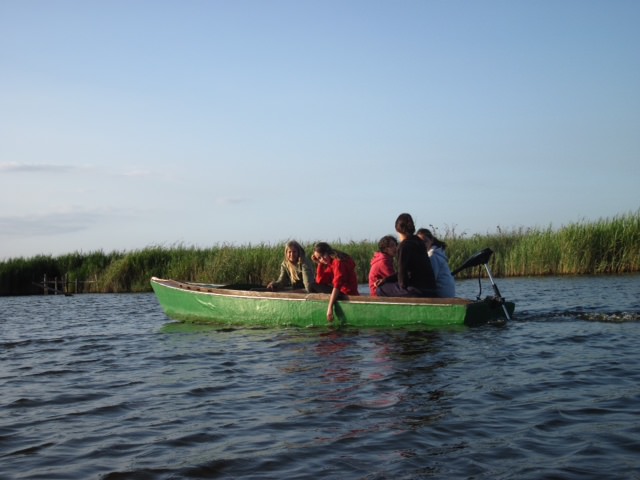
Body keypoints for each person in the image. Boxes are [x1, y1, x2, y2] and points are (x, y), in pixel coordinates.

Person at [377, 213, 437, 297]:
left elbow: (402, 282)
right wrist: (387, 279)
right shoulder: (419, 242)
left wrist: (388, 282)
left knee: (381, 289)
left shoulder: (404, 246)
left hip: (418, 291)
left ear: (398, 230)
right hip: (431, 289)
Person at [311, 242, 359, 322]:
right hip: (342, 292)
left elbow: (337, 285)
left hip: (347, 294)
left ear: (328, 252)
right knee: (313, 285)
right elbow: (320, 281)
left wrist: (330, 307)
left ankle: (329, 303)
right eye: (319, 258)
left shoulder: (338, 262)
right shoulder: (332, 263)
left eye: (323, 255)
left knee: (312, 286)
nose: (322, 259)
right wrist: (320, 264)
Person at [417, 228, 456, 298]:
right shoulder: (437, 252)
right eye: (420, 242)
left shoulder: (433, 256)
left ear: (431, 240)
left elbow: (431, 279)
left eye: (425, 241)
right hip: (448, 294)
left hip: (443, 295)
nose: (422, 244)